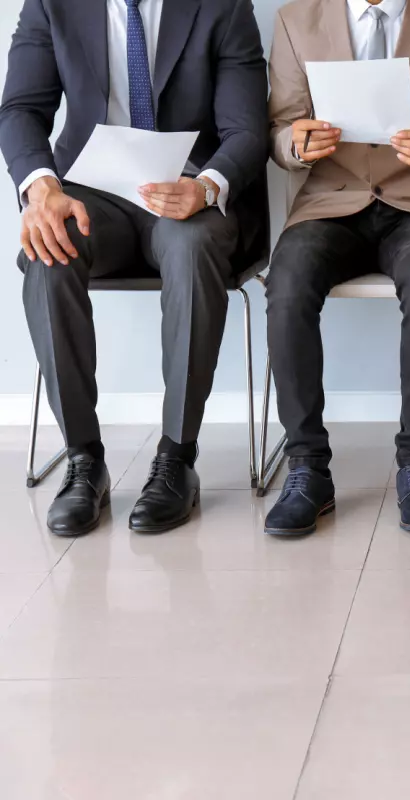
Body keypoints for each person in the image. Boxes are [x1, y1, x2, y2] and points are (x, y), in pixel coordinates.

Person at [0, 0, 269, 537]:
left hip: (188, 191)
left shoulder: (224, 5)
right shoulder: (52, 4)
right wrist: (42, 186)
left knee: (192, 248)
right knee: (51, 249)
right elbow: (20, 110)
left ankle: (176, 457)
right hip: (90, 194)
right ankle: (83, 459)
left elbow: (247, 129)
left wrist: (207, 186)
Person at [264, 0, 410, 536]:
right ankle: (306, 467)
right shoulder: (295, 20)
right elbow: (278, 131)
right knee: (288, 278)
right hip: (331, 201)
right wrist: (297, 142)